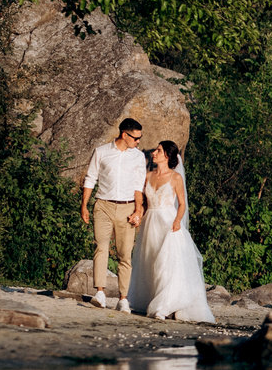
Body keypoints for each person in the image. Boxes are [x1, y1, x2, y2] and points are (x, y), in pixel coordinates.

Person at [127, 140, 215, 323]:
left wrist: (177, 221)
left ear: (167, 155)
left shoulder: (176, 178)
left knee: (166, 265)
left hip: (168, 223)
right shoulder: (148, 176)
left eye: (158, 151)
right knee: (150, 261)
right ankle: (153, 299)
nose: (154, 153)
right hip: (151, 223)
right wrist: (138, 214)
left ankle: (163, 306)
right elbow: (144, 203)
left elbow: (182, 204)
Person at [81, 118, 147, 312]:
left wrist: (138, 210)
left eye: (139, 138)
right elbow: (91, 178)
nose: (138, 142)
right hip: (103, 206)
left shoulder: (138, 157)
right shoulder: (101, 152)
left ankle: (123, 298)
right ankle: (100, 293)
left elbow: (138, 186)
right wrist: (84, 205)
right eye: (135, 138)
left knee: (124, 254)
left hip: (127, 208)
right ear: (124, 135)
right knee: (101, 247)